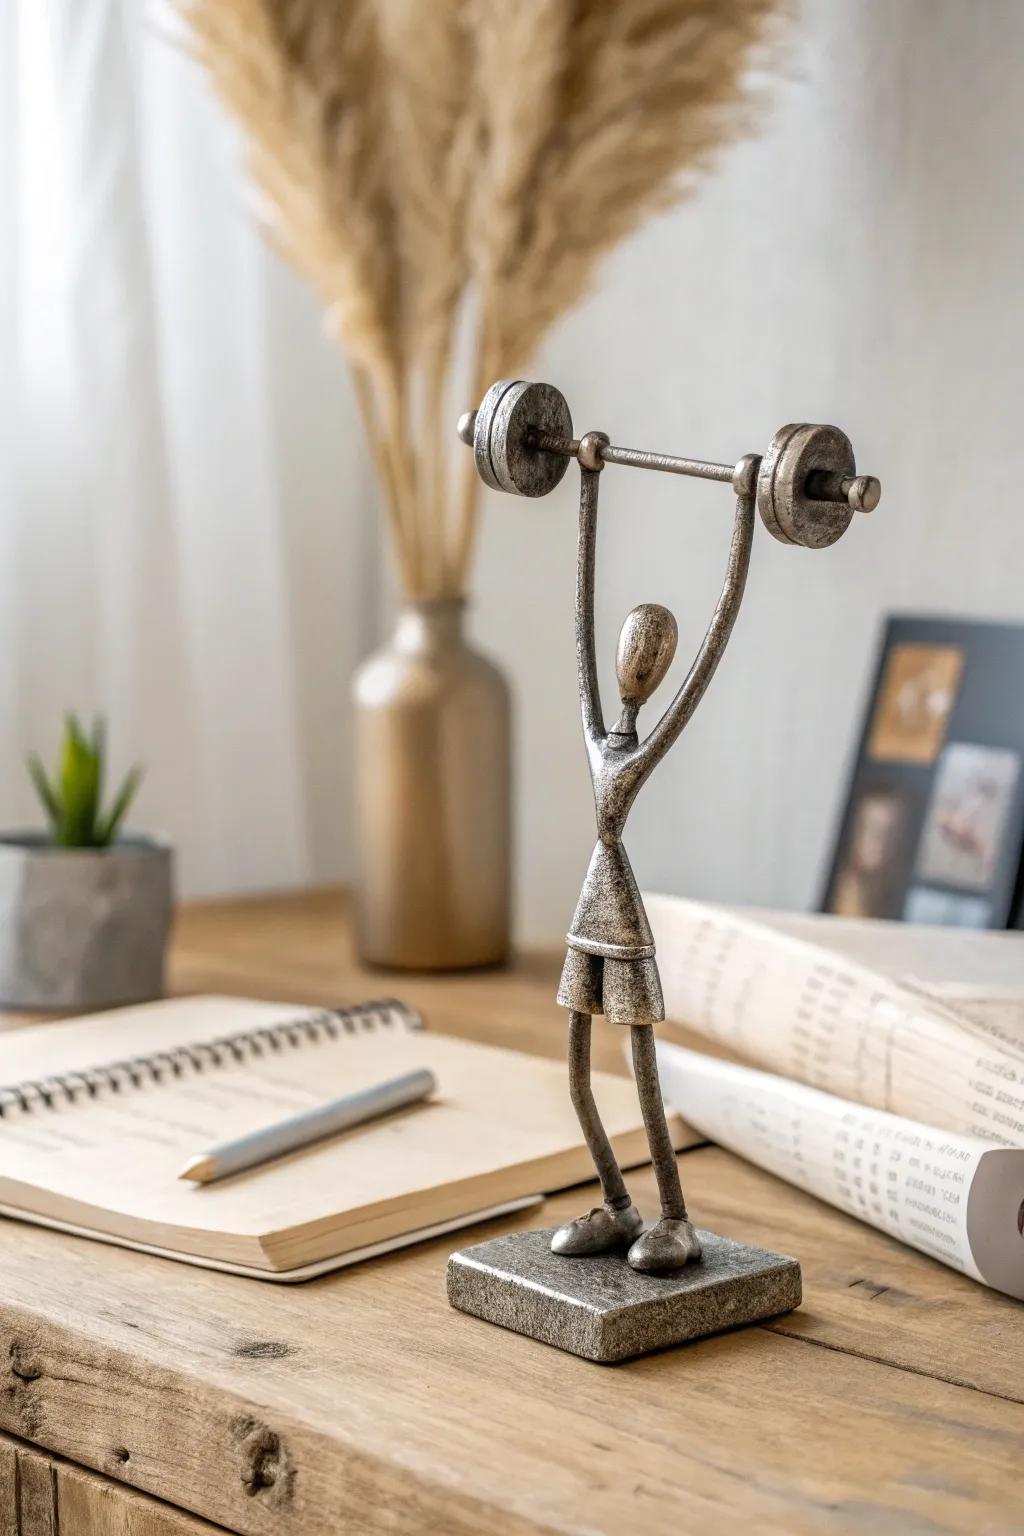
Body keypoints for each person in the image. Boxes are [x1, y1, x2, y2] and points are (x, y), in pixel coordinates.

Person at [552, 432, 756, 1272]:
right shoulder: (600, 727)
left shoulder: (646, 741)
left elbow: (715, 642)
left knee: (640, 1065)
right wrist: (588, 485)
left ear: (662, 668)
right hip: (585, 909)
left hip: (620, 913)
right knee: (571, 1066)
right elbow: (579, 611)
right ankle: (616, 1199)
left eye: (649, 654)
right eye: (630, 649)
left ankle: (674, 1215)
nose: (633, 662)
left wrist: (743, 514)